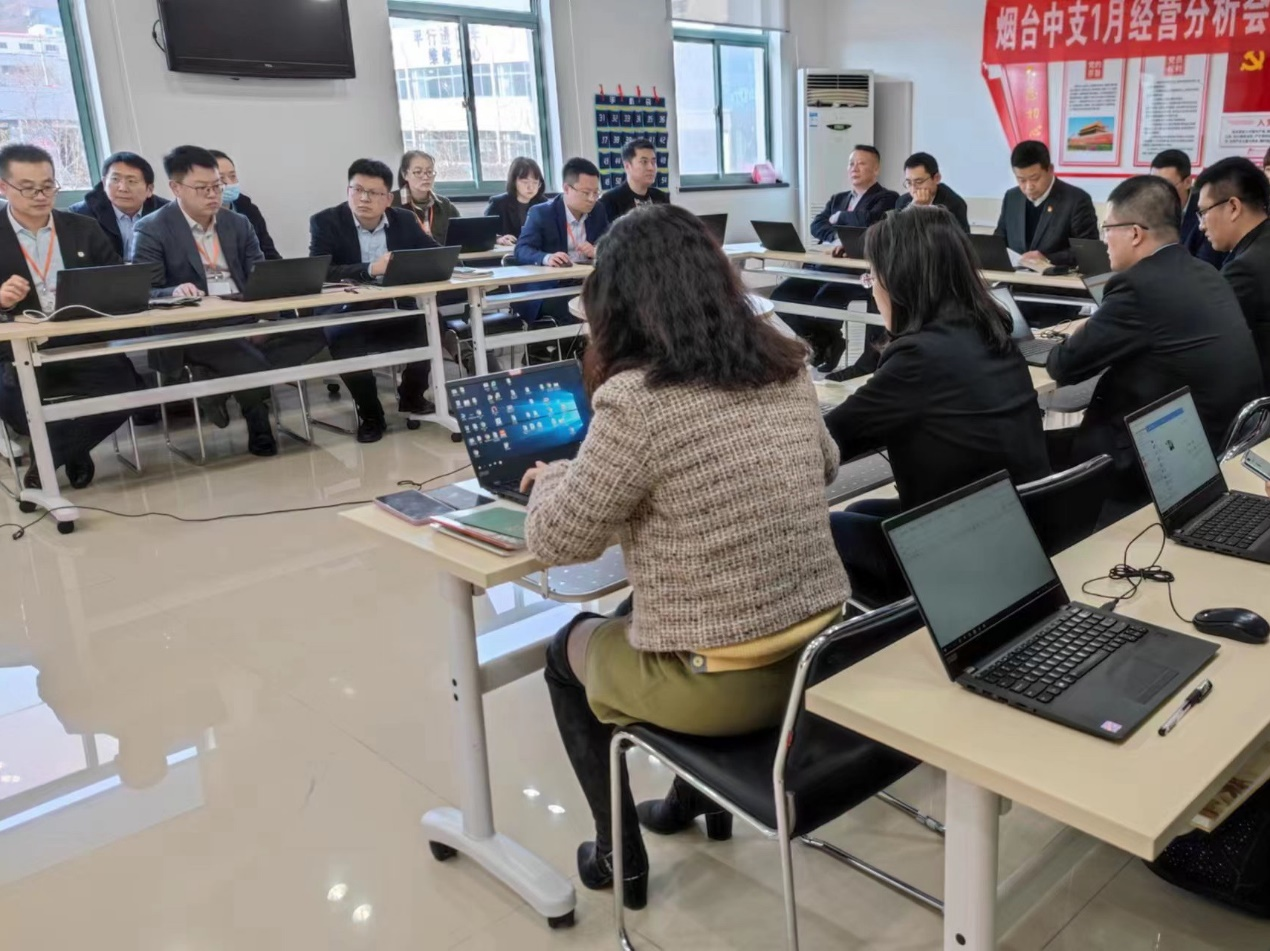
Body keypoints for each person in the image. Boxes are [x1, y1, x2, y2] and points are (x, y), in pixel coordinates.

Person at [522, 204, 848, 908]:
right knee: (643, 603)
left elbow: (558, 540)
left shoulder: (636, 401)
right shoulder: (785, 365)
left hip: (724, 688)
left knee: (565, 649)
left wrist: (551, 480)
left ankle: (618, 855)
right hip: (817, 658)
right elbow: (826, 463)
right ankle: (689, 801)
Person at [822, 206, 1050, 602]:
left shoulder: (918, 358)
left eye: (872, 276)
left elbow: (828, 440)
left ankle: (898, 628)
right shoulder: (989, 331)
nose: (872, 289)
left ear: (900, 280)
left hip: (966, 556)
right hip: (1018, 524)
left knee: (823, 527)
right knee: (860, 509)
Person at [1045, 175, 1262, 524]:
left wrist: (1085, 327)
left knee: (1033, 449)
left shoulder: (1136, 286)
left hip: (1154, 463)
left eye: (1107, 229)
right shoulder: (1206, 271)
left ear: (1134, 233)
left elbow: (1062, 365)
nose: (1104, 240)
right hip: (1218, 443)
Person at [0, 143, 141, 490]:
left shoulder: (83, 228)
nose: (41, 196)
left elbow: (117, 281)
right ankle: (73, 448)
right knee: (14, 401)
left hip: (81, 341)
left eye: (48, 186)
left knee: (126, 390)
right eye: (28, 188)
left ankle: (52, 455)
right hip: (17, 349)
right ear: (4, 187)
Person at [130, 145, 279, 457]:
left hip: (241, 316)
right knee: (246, 358)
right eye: (202, 188)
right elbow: (143, 291)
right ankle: (259, 426)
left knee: (311, 333)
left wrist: (265, 315)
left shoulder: (238, 223)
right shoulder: (151, 228)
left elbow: (260, 275)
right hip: (190, 326)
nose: (213, 195)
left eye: (217, 186)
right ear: (176, 188)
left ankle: (215, 383)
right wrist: (173, 292)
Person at [309, 158, 439, 442]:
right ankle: (370, 413)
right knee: (344, 338)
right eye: (357, 190)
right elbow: (321, 270)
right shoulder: (326, 221)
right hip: (345, 306)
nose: (364, 199)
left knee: (431, 324)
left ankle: (412, 396)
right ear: (348, 191)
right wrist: (370, 269)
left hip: (393, 302)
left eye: (373, 193)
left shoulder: (404, 220)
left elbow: (432, 254)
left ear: (388, 198)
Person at [771, 145, 898, 375]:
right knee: (781, 296)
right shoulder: (838, 198)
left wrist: (839, 218)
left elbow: (871, 221)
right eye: (851, 164)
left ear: (876, 169)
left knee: (824, 299)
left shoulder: (887, 198)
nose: (854, 168)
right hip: (825, 265)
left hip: (855, 271)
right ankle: (827, 340)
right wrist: (837, 237)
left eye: (861, 163)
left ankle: (826, 343)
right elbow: (817, 225)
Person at [1194, 156, 1270, 388]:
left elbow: (1203, 338)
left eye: (1203, 212)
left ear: (1233, 207)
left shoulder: (1245, 269)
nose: (1201, 225)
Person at [513, 157, 609, 323]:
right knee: (588, 308)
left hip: (586, 283)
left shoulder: (598, 210)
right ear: (566, 188)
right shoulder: (542, 213)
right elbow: (521, 249)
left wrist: (597, 250)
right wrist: (547, 258)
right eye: (586, 193)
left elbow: (610, 243)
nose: (592, 199)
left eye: (596, 193)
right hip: (551, 288)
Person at [995, 140, 1099, 269]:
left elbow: (1088, 252)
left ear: (1050, 170)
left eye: (1035, 179)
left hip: (1056, 279)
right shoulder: (1012, 197)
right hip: (1015, 278)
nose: (1029, 187)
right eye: (1021, 180)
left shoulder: (1076, 200)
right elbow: (998, 241)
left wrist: (1047, 258)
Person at [67, 151, 169, 258]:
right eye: (115, 179)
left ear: (149, 189)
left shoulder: (165, 213)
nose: (123, 188)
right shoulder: (81, 214)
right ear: (104, 183)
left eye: (131, 181)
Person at [1150, 149, 1224, 269]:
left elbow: (1205, 267)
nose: (1158, 193)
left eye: (1166, 185)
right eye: (1154, 185)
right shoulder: (1148, 210)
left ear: (1187, 182)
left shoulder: (1206, 212)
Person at [208, 149, 281, 261]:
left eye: (232, 176)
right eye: (221, 178)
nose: (229, 183)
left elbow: (269, 254)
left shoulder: (249, 209)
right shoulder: (194, 216)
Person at [392, 150, 460, 244]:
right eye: (418, 172)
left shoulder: (445, 205)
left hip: (441, 253)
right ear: (405, 175)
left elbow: (462, 236)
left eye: (429, 172)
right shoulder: (390, 203)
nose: (425, 177)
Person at [893, 152, 970, 232]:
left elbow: (956, 238)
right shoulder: (902, 201)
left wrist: (924, 211)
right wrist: (913, 209)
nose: (913, 189)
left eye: (919, 182)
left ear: (936, 178)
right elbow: (896, 235)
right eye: (909, 183)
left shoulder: (955, 204)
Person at [598, 138, 669, 220]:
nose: (651, 168)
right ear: (627, 166)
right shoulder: (609, 201)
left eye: (653, 162)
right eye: (644, 162)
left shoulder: (661, 198)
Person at [485, 156, 548, 245]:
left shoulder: (543, 203)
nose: (531, 187)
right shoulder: (498, 203)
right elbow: (485, 233)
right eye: (525, 182)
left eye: (535, 182)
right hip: (509, 250)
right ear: (514, 181)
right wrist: (498, 239)